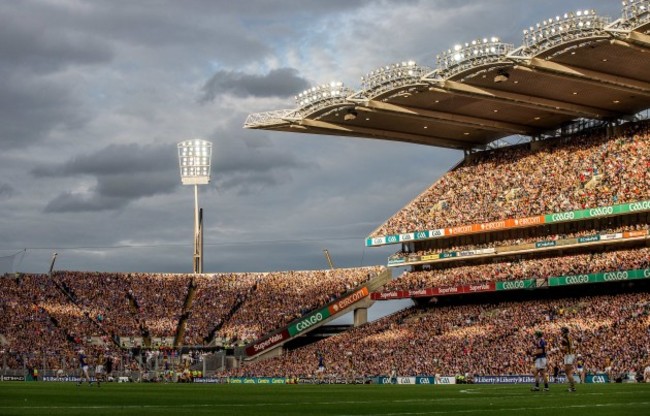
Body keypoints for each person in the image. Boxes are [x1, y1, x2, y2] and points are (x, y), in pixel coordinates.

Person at [560, 327, 576, 392]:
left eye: (561, 331)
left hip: (568, 355)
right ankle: (572, 386)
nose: (560, 332)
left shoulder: (565, 338)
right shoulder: (569, 337)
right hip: (570, 354)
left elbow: (565, 348)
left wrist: (560, 349)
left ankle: (572, 387)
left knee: (568, 372)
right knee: (567, 372)